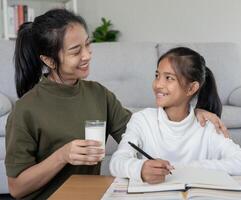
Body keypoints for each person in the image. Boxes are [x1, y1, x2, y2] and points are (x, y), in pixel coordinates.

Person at [5, 9, 227, 199]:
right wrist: (62, 156)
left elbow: (144, 135)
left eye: (87, 45)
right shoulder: (27, 109)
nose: (87, 55)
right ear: (48, 60)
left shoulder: (98, 94)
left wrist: (191, 109)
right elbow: (16, 188)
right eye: (75, 51)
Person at [110, 47, 241, 184]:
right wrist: (140, 168)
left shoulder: (206, 125)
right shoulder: (142, 120)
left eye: (169, 78)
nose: (157, 84)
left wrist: (184, 168)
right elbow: (117, 162)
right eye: (157, 75)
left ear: (192, 88)